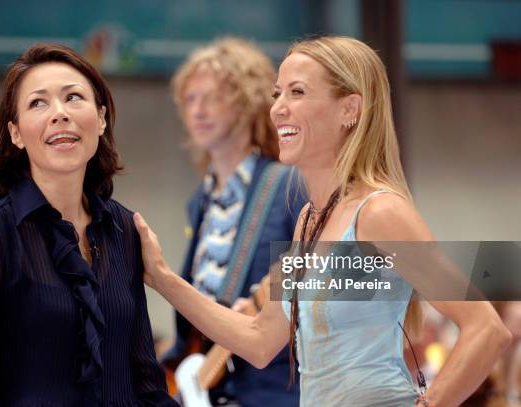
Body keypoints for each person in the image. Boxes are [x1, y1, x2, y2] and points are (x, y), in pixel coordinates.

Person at [132, 36, 512, 406]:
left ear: (350, 109)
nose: (278, 108)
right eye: (276, 94)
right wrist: (162, 277)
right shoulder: (308, 221)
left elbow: (486, 328)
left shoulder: (380, 213)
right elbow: (260, 340)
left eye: (297, 92)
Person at [0, 44, 177, 407]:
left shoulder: (126, 229)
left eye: (73, 97)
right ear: (16, 133)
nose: (59, 113)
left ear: (100, 119)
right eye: (38, 103)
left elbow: (146, 384)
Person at [161, 38, 302, 406]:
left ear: (247, 101)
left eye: (213, 97)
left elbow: (337, 280)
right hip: (212, 385)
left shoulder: (288, 183)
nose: (198, 110)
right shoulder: (201, 202)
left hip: (275, 391)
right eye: (189, 100)